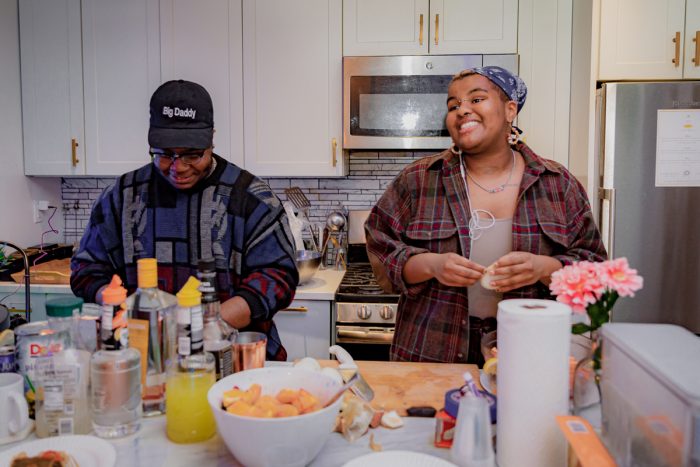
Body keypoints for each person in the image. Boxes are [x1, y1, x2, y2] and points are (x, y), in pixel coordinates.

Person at [365, 67, 607, 364]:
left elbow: (596, 272)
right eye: (453, 106)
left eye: (476, 99)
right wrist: (431, 265)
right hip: (432, 351)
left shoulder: (557, 184)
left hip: (529, 352)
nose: (462, 110)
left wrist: (545, 267)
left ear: (509, 110)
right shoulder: (418, 181)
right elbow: (380, 250)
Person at [71, 79, 299, 360]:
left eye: (192, 155)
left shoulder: (251, 199)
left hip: (239, 361)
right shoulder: (121, 197)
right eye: (165, 154)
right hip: (143, 363)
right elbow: (86, 271)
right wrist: (128, 306)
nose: (178, 167)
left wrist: (204, 325)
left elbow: (279, 278)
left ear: (211, 140)